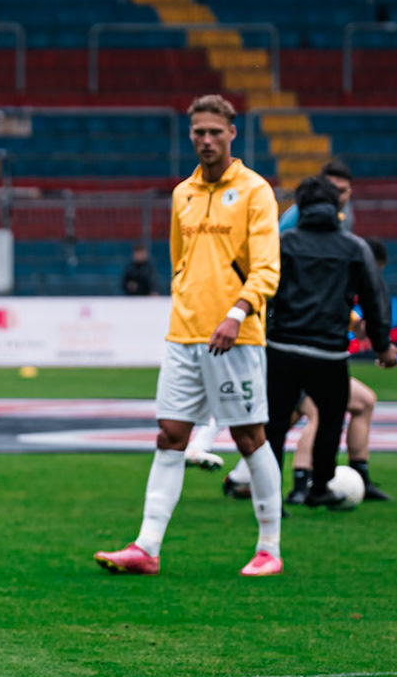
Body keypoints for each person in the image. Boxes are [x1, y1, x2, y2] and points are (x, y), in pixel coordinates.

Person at [96, 94, 283, 577]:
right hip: (184, 335)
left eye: (214, 132)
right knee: (170, 434)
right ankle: (146, 547)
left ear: (232, 134)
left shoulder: (256, 192)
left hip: (236, 336)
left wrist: (237, 313)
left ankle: (269, 547)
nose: (205, 140)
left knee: (249, 436)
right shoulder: (182, 193)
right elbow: (181, 263)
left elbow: (267, 268)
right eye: (198, 132)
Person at [263, 175, 397, 508]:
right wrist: (382, 346)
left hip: (282, 348)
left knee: (275, 425)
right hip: (329, 352)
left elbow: (262, 291)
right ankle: (319, 486)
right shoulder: (354, 247)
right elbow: (375, 299)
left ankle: (269, 498)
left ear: (301, 206)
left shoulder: (282, 243)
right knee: (330, 419)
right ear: (338, 205)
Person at [278, 158, 352, 233]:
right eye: (332, 190)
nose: (337, 196)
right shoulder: (296, 215)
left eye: (342, 191)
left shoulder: (345, 214)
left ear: (349, 192)